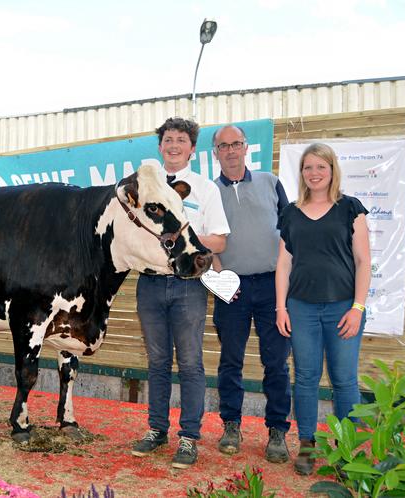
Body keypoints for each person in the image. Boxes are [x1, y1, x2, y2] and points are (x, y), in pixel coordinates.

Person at [131, 117, 229, 468]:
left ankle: (189, 437)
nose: (173, 145)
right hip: (150, 284)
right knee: (157, 362)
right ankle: (156, 430)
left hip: (188, 287)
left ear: (192, 148)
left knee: (190, 363)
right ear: (160, 147)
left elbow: (219, 239)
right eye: (168, 139)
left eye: (181, 140)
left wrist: (185, 241)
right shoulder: (143, 188)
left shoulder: (205, 189)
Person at [275, 142, 370, 475]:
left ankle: (349, 451)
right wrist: (280, 308)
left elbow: (363, 261)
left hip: (343, 307)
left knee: (345, 381)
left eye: (320, 167)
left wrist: (358, 307)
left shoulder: (350, 209)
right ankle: (307, 445)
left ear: (332, 170)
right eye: (307, 167)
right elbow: (284, 264)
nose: (314, 173)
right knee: (305, 379)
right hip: (301, 309)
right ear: (301, 173)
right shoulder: (290, 213)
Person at [211, 125, 292, 463]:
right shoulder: (207, 192)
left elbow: (290, 234)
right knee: (230, 360)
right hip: (231, 288)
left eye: (236, 144)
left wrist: (288, 286)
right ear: (215, 152)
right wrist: (219, 280)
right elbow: (203, 239)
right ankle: (231, 424)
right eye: (223, 146)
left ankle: (277, 431)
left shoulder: (271, 183)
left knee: (276, 362)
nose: (231, 151)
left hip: (273, 285)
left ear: (246, 148)